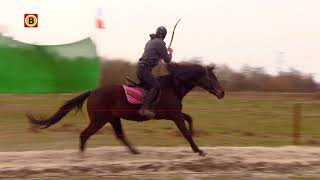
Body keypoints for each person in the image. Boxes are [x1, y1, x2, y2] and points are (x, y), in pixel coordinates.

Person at [137, 26, 173, 118]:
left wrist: (162, 53)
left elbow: (153, 54)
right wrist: (170, 53)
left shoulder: (150, 42)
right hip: (145, 69)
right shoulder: (160, 43)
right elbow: (167, 60)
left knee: (148, 87)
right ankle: (144, 109)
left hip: (140, 69)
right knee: (156, 86)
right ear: (164, 35)